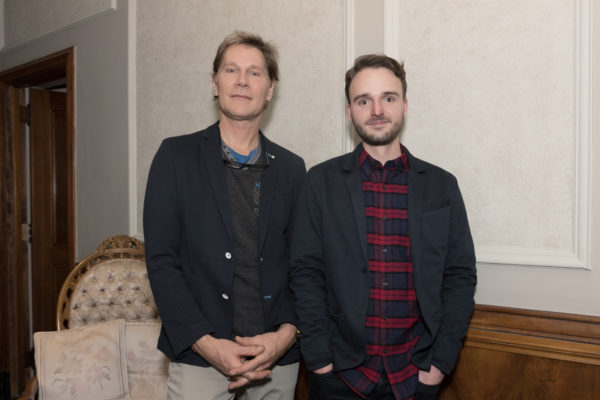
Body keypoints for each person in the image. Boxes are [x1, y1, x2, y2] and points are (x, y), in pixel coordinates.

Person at [290, 54, 477, 400]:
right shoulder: (320, 182)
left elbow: (460, 275)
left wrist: (440, 363)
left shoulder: (442, 186)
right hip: (339, 375)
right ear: (350, 112)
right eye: (364, 101)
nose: (377, 110)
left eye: (388, 98)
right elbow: (306, 271)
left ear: (404, 106)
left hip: (416, 375)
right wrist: (319, 360)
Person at [143, 31, 306, 399]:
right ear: (215, 84)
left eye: (254, 72)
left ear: (270, 89)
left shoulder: (293, 169)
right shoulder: (175, 157)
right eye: (231, 70)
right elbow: (162, 261)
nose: (242, 81)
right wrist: (206, 344)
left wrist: (285, 336)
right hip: (200, 356)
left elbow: (304, 265)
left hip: (275, 360)